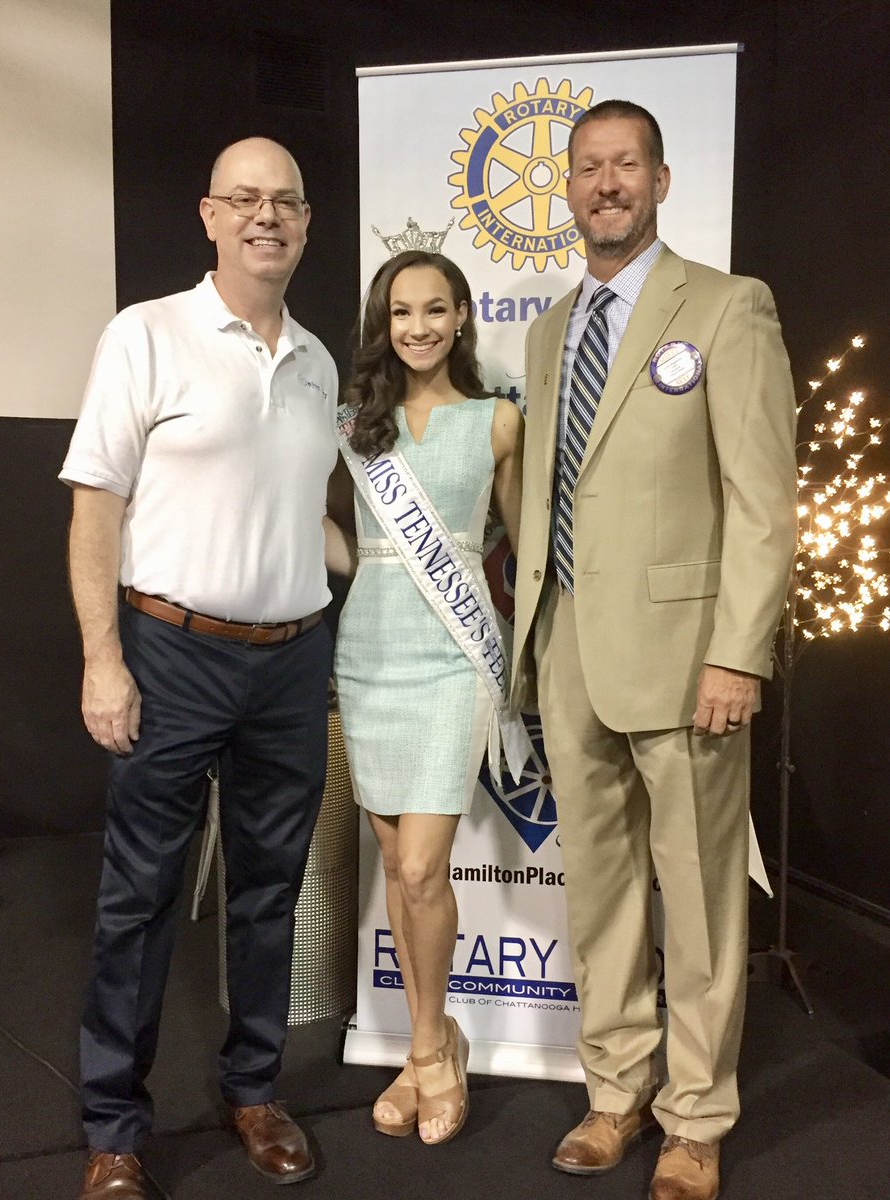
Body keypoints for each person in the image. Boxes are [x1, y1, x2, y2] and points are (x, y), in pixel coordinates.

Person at [511, 101, 797, 1200]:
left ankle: (695, 1118)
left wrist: (738, 653)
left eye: (624, 164)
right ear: (569, 190)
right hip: (567, 640)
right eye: (586, 168)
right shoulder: (548, 330)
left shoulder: (726, 309)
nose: (604, 184)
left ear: (661, 181)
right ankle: (615, 1092)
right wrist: (530, 630)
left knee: (700, 896)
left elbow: (760, 500)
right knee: (599, 891)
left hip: (687, 654)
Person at [61, 137, 347, 1199]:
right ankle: (114, 1129)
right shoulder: (148, 334)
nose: (265, 215)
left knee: (269, 893)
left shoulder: (318, 363)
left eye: (284, 200)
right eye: (244, 199)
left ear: (307, 223)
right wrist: (104, 660)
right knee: (138, 898)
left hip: (289, 665)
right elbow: (97, 504)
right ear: (210, 215)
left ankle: (254, 1090)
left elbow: (310, 518)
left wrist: (410, 563)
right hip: (171, 656)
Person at [333, 250, 525, 1146]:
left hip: (451, 659)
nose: (418, 327)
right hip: (367, 652)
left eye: (435, 310)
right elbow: (350, 543)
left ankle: (431, 1052)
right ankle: (427, 1041)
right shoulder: (355, 425)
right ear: (384, 323)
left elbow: (525, 551)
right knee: (394, 871)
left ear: (460, 318)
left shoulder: (496, 423)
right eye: (402, 312)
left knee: (421, 870)